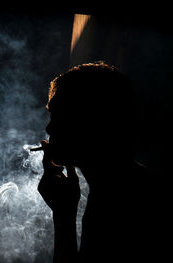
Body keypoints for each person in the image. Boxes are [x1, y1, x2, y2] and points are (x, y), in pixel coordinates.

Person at [37, 62, 152, 263]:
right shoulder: (110, 190)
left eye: (61, 115)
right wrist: (64, 211)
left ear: (95, 120)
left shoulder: (131, 201)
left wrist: (63, 217)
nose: (49, 128)